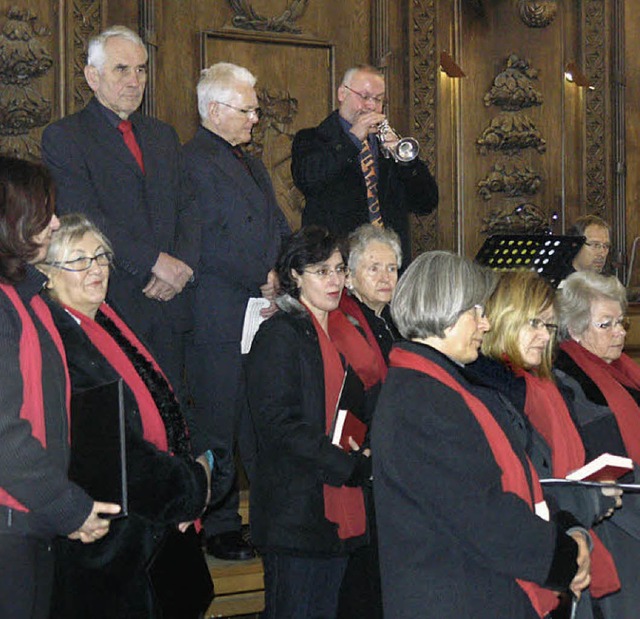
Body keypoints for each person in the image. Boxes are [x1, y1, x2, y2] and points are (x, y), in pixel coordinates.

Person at [372, 251, 591, 619]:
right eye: (476, 311)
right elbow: (481, 514)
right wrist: (563, 556)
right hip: (454, 597)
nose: (485, 324)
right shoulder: (422, 400)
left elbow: (509, 481)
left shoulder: (441, 387)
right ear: (444, 310)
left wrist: (565, 528)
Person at [39, 214, 215, 619]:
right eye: (79, 260)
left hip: (150, 528)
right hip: (110, 546)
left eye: (100, 256)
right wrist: (190, 489)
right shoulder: (62, 342)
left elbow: (163, 404)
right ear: (47, 275)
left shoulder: (108, 318)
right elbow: (112, 449)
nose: (97, 268)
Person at [41, 25, 199, 403]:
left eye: (141, 69)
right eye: (122, 69)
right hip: (115, 299)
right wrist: (153, 262)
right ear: (92, 76)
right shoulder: (65, 137)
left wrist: (182, 266)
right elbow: (85, 217)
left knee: (177, 420)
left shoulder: (162, 135)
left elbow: (189, 207)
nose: (135, 80)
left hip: (173, 303)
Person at [0, 157, 119, 619]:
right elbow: (5, 437)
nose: (54, 222)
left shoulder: (23, 296)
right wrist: (69, 508)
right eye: (42, 211)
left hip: (30, 522)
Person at [245, 226, 383, 618]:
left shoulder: (349, 332)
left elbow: (366, 403)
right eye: (322, 271)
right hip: (297, 511)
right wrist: (346, 466)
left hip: (341, 505)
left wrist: (368, 450)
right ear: (294, 276)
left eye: (339, 269)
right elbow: (277, 425)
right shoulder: (280, 334)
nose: (335, 280)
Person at [182, 61, 290, 560]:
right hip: (218, 310)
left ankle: (264, 516)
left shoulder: (251, 162)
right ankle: (217, 523)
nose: (254, 118)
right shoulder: (191, 161)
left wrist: (287, 270)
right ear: (215, 109)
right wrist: (260, 275)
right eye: (247, 110)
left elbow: (274, 224)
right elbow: (203, 240)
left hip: (258, 310)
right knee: (217, 420)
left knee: (254, 418)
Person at [467, 269, 622, 618]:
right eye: (534, 323)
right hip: (527, 560)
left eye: (549, 326)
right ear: (505, 318)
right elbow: (524, 486)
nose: (543, 336)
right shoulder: (492, 389)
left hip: (561, 537)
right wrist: (588, 500)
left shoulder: (537, 380)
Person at [555, 270, 640, 618]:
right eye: (606, 325)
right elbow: (607, 460)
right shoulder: (568, 378)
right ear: (574, 329)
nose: (619, 331)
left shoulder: (622, 367)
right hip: (616, 520)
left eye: (621, 322)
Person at [291, 64, 438, 263]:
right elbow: (309, 179)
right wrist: (352, 140)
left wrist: (406, 162)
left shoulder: (388, 145)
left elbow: (426, 202)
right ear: (342, 93)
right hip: (337, 261)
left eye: (378, 100)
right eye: (364, 97)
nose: (371, 106)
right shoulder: (311, 139)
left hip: (388, 262)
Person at [336, 223, 402, 619]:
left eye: (392, 268)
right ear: (350, 275)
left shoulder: (390, 321)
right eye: (374, 268)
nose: (385, 277)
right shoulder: (343, 320)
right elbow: (344, 400)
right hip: (359, 463)